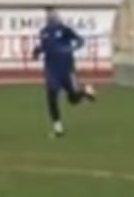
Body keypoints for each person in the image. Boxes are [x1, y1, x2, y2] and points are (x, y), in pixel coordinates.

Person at [31, 8, 95, 137]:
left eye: (52, 15)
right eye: (48, 15)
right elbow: (44, 46)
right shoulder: (44, 32)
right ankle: (58, 128)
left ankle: (84, 91)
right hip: (52, 70)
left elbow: (80, 40)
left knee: (73, 98)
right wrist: (36, 52)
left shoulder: (65, 30)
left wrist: (72, 47)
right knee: (51, 96)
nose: (50, 17)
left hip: (67, 69)